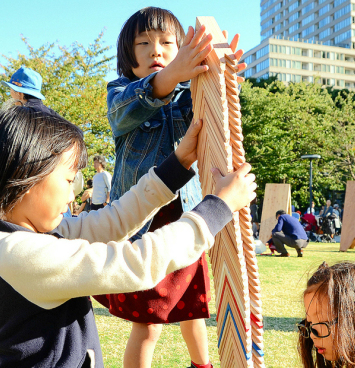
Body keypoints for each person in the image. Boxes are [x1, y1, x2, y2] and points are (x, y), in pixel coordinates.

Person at [0, 105, 255, 368]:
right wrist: (218, 208)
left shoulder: (27, 235)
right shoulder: (20, 254)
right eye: (67, 181)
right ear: (27, 175)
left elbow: (112, 221)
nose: (72, 195)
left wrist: (177, 164)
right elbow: (137, 263)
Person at [98, 7, 247, 368]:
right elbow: (131, 106)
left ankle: (203, 366)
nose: (156, 50)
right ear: (128, 55)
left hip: (187, 223)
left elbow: (214, 111)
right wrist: (175, 72)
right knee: (148, 326)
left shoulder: (188, 95)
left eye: (167, 43)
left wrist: (222, 77)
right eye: (144, 43)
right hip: (145, 225)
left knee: (194, 313)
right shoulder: (121, 93)